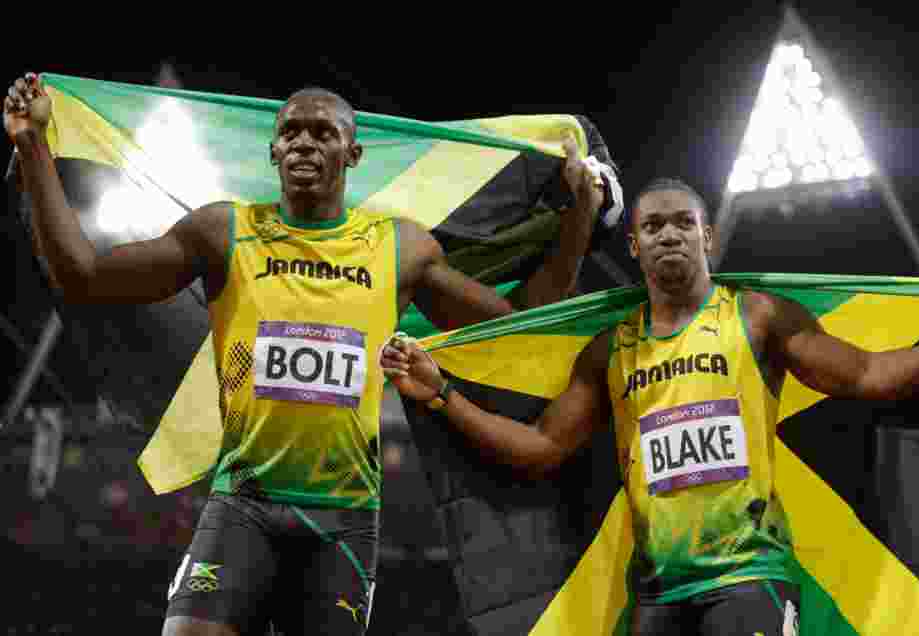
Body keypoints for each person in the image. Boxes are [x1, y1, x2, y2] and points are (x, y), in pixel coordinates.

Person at [4, 72, 606, 636]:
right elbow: (84, 275)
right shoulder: (222, 233)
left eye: (324, 133)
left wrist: (580, 215)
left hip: (341, 519)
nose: (304, 143)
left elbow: (517, 324)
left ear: (353, 154)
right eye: (290, 131)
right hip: (243, 503)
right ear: (271, 152)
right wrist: (33, 148)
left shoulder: (398, 249)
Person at [381, 177, 919, 636]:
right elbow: (542, 449)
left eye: (683, 222)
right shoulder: (611, 350)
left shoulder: (758, 317)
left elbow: (870, 375)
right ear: (635, 245)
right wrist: (443, 395)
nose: (670, 234)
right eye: (653, 226)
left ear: (707, 235)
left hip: (749, 579)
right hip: (657, 596)